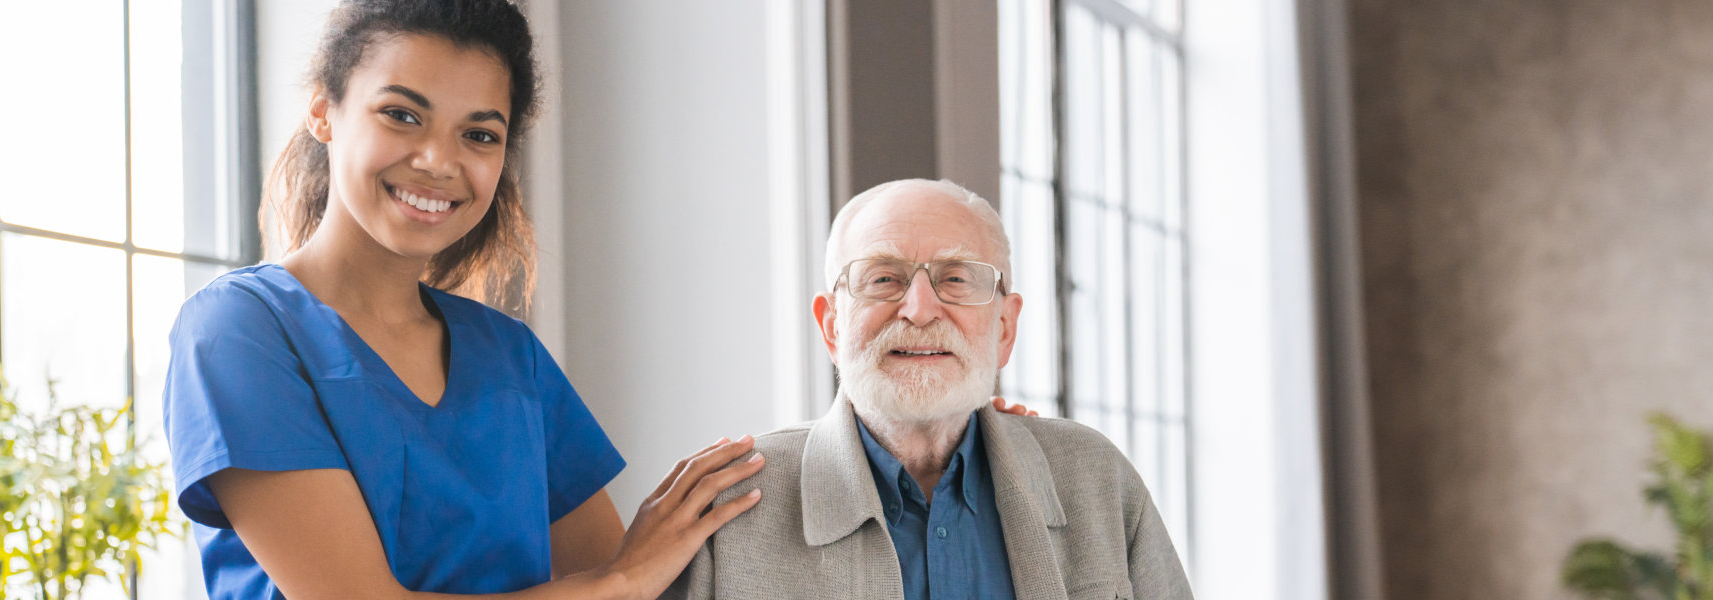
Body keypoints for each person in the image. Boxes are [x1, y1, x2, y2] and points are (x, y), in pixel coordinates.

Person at [161, 1, 766, 597]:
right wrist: (622, 580)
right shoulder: (236, 330)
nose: (438, 162)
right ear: (323, 111)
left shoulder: (512, 357)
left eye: (478, 134)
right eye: (401, 115)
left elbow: (625, 581)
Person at [664, 179, 1195, 599]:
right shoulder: (729, 512)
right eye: (883, 278)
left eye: (957, 278)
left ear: (1004, 328)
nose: (919, 309)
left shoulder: (1096, 478)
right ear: (831, 327)